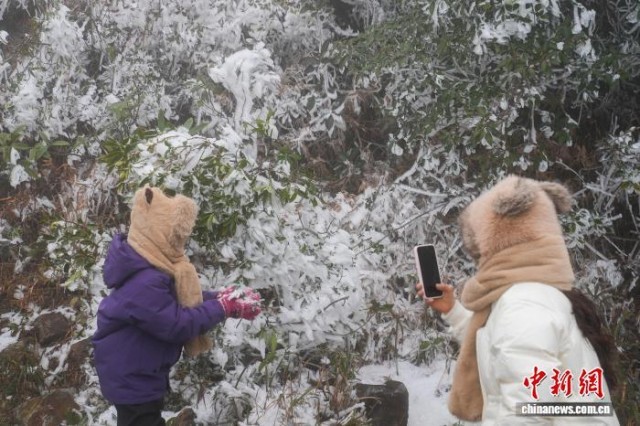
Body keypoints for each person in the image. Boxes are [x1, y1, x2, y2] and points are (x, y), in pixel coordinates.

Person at [416, 176, 619, 425]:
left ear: (494, 242)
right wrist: (453, 311)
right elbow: (502, 346)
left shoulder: (524, 305)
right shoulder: (538, 296)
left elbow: (527, 412)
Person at [93, 186, 262, 426]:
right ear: (157, 234)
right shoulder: (144, 282)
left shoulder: (148, 270)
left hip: (137, 372)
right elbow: (176, 324)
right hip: (132, 379)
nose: (179, 245)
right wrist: (222, 308)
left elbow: (173, 302)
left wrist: (219, 298)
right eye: (175, 238)